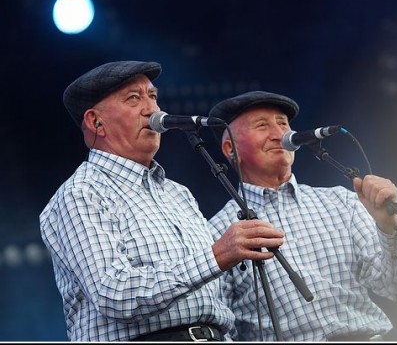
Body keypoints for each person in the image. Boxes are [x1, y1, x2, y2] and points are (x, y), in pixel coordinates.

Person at [39, 62, 285, 342]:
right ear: (96, 122)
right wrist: (216, 256)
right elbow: (114, 293)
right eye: (134, 98)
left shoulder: (177, 193)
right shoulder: (81, 193)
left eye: (152, 96)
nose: (152, 109)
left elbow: (215, 296)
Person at [207, 90, 397, 342]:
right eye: (262, 126)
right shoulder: (218, 233)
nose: (278, 133)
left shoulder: (341, 202)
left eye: (283, 124)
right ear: (229, 148)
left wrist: (388, 226)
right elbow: (221, 328)